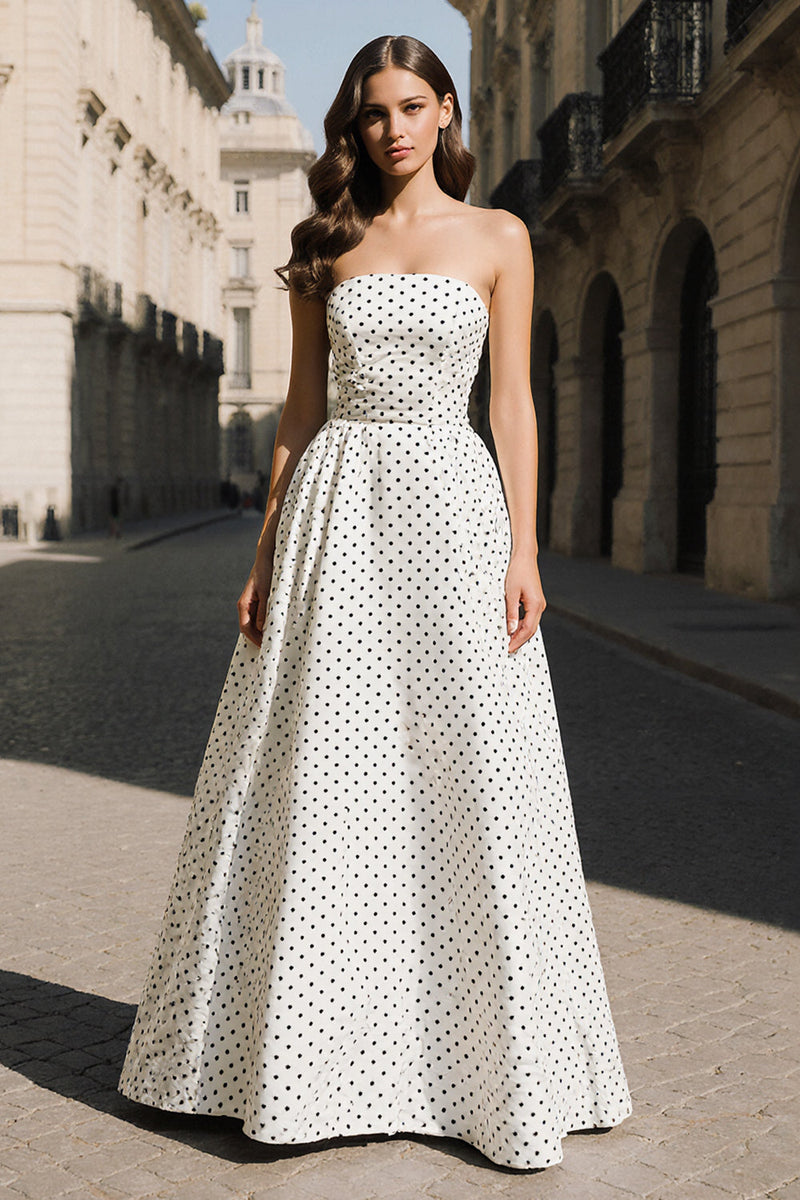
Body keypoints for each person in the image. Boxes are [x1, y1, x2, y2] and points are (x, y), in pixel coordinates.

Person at [118, 34, 632, 1171]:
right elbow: (298, 415)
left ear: (446, 112)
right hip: (338, 518)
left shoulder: (498, 236)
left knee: (470, 771)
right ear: (351, 129)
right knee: (323, 777)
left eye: (410, 107)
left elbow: (511, 407)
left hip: (452, 515)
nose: (390, 129)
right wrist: (261, 553)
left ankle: (485, 1066)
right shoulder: (325, 244)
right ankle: (304, 1054)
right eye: (369, 113)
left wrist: (524, 547)